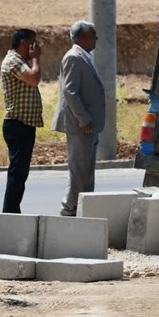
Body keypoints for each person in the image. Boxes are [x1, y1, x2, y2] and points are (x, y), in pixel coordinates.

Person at [52, 20, 106, 216]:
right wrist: (83, 119)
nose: (96, 39)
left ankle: (84, 206)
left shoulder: (84, 56)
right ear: (83, 37)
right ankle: (70, 207)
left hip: (88, 125)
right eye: (93, 35)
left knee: (86, 169)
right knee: (78, 169)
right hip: (80, 125)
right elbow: (70, 92)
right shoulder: (74, 57)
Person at [0, 28, 43, 213]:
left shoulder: (20, 62)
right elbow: (34, 79)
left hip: (24, 124)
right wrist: (36, 59)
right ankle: (10, 212)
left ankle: (12, 210)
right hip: (17, 124)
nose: (36, 46)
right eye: (33, 42)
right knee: (17, 173)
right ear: (24, 43)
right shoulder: (13, 61)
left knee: (20, 173)